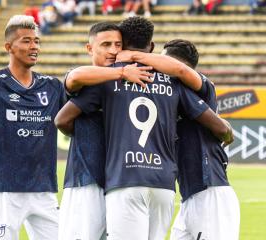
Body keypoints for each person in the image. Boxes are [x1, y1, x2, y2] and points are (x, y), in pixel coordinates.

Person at [58, 16, 233, 240]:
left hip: (124, 178)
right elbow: (218, 125)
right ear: (151, 47)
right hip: (164, 184)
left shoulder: (105, 79)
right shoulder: (173, 82)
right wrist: (227, 132)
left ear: (122, 44)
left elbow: (61, 119)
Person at [0, 15, 65, 240]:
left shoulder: (52, 86)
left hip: (44, 187)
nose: (34, 46)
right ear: (9, 47)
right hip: (6, 188)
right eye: (27, 41)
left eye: (37, 41)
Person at [55, 22, 153, 240]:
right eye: (106, 44)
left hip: (120, 182)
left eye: (118, 44)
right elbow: (73, 80)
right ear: (90, 49)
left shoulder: (127, 81)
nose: (113, 50)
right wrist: (121, 72)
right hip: (87, 179)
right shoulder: (92, 80)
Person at [154, 39, 240, 240]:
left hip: (210, 193)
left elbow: (221, 128)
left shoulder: (200, 87)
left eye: (162, 59)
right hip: (189, 195)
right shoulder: (170, 94)